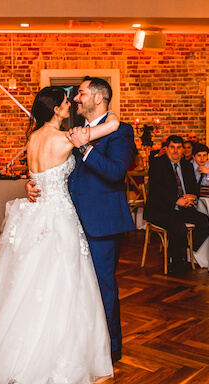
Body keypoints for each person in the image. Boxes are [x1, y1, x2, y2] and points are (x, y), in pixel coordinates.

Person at [0, 85, 123, 384]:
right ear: (56, 108)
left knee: (25, 284)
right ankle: (53, 355)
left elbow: (35, 176)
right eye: (66, 102)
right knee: (63, 284)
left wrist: (31, 184)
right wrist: (110, 118)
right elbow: (109, 127)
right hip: (60, 217)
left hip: (35, 215)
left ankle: (12, 352)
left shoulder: (33, 139)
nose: (71, 105)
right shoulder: (63, 139)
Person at [26, 77, 136, 365]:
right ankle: (79, 345)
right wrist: (32, 183)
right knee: (71, 286)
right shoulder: (72, 131)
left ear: (98, 98)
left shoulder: (121, 132)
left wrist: (85, 149)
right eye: (73, 97)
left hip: (100, 222)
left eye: (81, 94)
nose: (75, 99)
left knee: (102, 286)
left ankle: (110, 350)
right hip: (66, 221)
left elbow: (115, 172)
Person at [144, 135, 209, 273]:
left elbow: (193, 187)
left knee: (206, 222)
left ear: (183, 150)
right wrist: (176, 200)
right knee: (179, 228)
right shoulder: (158, 164)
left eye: (178, 148)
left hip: (184, 208)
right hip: (161, 209)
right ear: (166, 149)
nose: (175, 151)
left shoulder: (187, 165)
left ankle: (185, 250)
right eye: (172, 147)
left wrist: (193, 196)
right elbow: (157, 189)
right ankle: (174, 261)